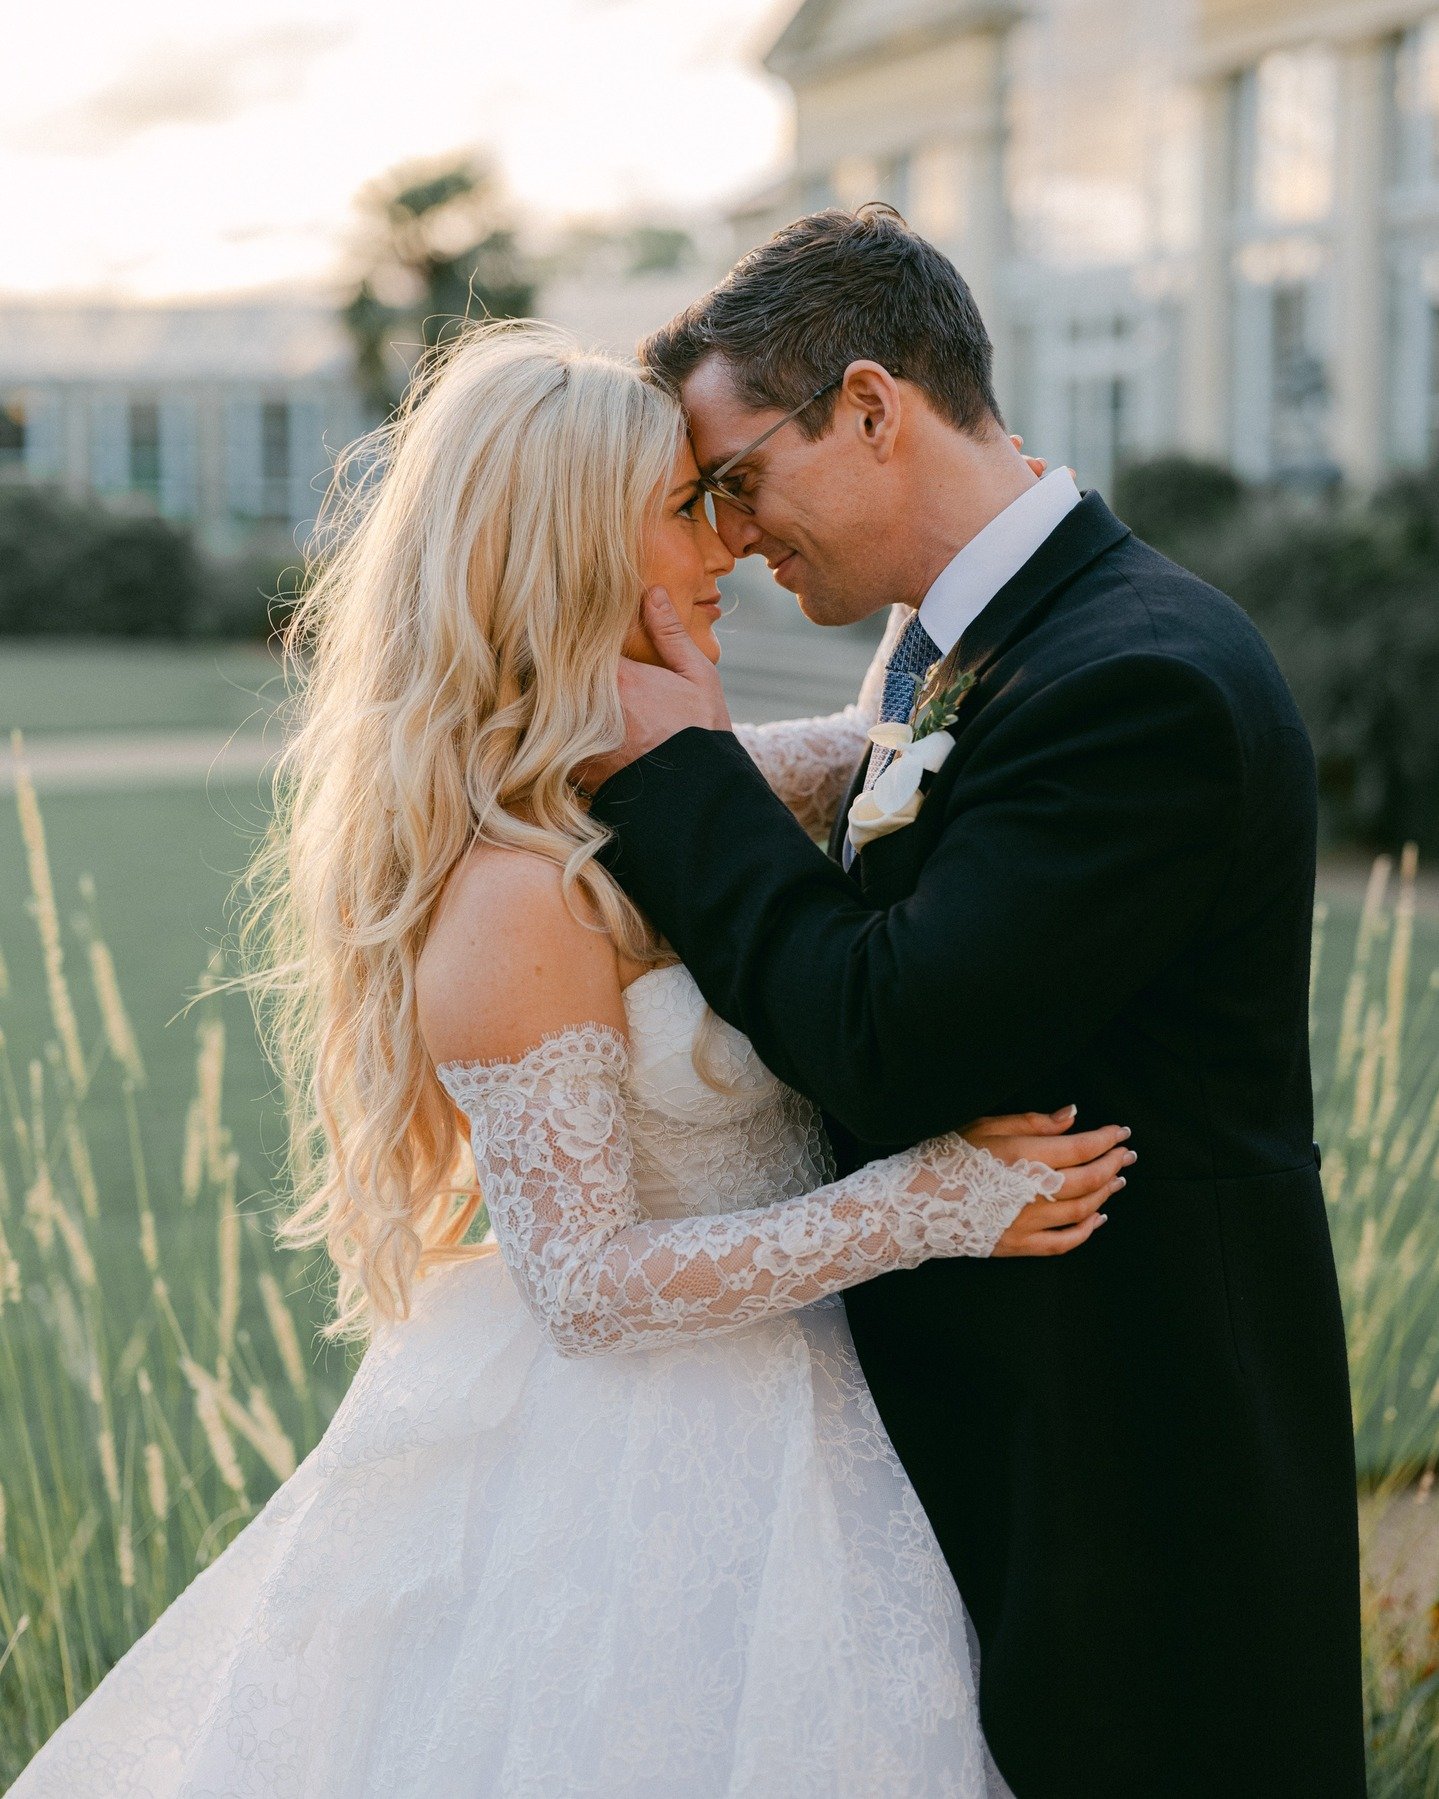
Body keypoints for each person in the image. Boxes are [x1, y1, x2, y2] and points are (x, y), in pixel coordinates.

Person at [10, 322, 1133, 1798]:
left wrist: (984, 520)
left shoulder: (635, 789)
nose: (724, 545)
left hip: (809, 1419)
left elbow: (869, 752)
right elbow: (586, 1286)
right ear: (569, 551)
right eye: (686, 511)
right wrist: (928, 1204)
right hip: (638, 1476)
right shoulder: (514, 894)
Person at [580, 207, 1366, 1798]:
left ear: (872, 408)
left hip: (1137, 1468)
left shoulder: (1136, 680)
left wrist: (675, 781)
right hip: (995, 1450)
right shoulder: (968, 649)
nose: (729, 538)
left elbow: (896, 1039)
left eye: (738, 478)